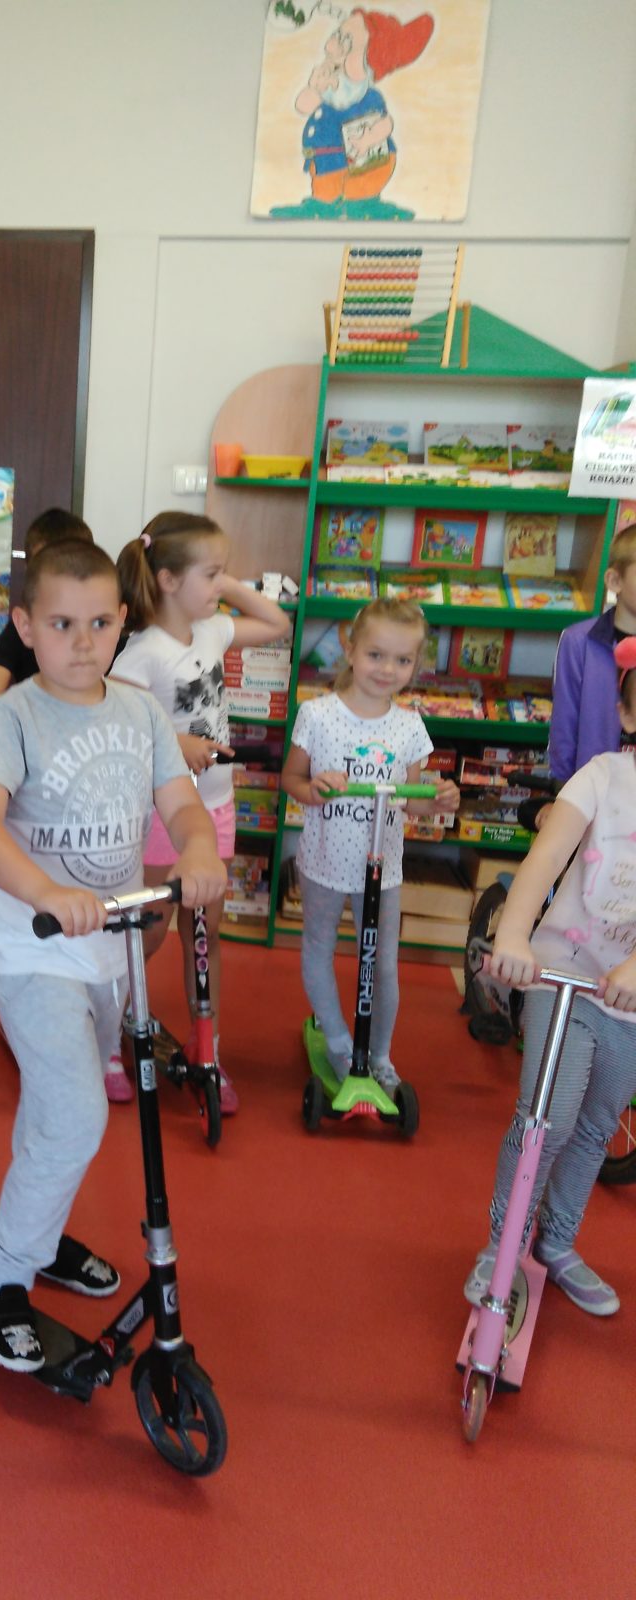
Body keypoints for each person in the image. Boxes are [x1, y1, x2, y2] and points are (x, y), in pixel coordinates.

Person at [0, 539, 226, 1372]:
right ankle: (1, 1276)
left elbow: (180, 805)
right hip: (34, 946)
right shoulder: (10, 718)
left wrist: (198, 849)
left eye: (101, 623)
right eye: (62, 624)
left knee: (56, 1109)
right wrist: (44, 891)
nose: (83, 642)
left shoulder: (140, 712)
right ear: (25, 625)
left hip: (113, 950)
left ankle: (36, 1237)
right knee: (76, 1113)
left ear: (122, 622)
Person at [464, 637, 636, 1317]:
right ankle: (502, 1244)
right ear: (627, 714)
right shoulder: (602, 777)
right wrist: (512, 933)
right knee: (546, 1118)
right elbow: (544, 858)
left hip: (629, 997)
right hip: (563, 975)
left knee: (596, 1125)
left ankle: (557, 1242)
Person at [110, 511, 292, 1112]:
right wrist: (175, 742)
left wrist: (225, 581)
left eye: (222, 573)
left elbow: (277, 623)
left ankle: (204, 1045)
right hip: (163, 815)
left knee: (204, 933)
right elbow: (119, 727)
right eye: (209, 574)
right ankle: (109, 1034)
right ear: (167, 579)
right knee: (149, 931)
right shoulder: (142, 653)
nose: (220, 585)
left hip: (216, 805)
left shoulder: (211, 630)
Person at [281, 597, 459, 1088]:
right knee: (318, 946)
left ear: (415, 665)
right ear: (351, 649)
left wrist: (437, 799)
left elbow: (412, 802)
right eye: (376, 655)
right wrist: (314, 789)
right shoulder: (317, 715)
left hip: (384, 869)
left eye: (402, 660)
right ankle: (339, 1041)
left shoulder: (409, 727)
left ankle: (380, 1055)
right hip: (323, 862)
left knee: (383, 963)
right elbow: (292, 780)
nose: (387, 669)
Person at [0, 507, 93, 769]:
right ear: (29, 571)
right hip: (36, 754)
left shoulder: (100, 632)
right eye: (45, 568)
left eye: (67, 567)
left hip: (89, 751)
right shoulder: (19, 631)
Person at [548, 523, 636, 784]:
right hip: (592, 787)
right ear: (615, 581)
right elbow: (564, 724)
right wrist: (563, 787)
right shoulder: (578, 642)